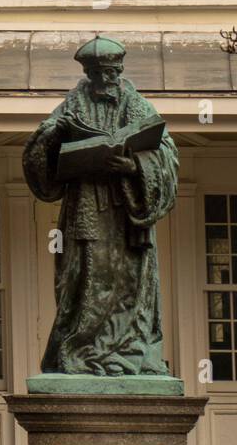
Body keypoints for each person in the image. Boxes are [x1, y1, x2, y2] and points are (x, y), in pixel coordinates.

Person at [23, 35, 178, 375]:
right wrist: (54, 134)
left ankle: (128, 352)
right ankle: (79, 354)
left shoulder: (136, 104)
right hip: (86, 212)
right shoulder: (73, 105)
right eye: (100, 74)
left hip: (126, 218)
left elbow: (166, 154)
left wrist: (135, 166)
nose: (107, 80)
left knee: (127, 284)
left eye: (113, 73)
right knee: (82, 283)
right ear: (89, 73)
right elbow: (39, 152)